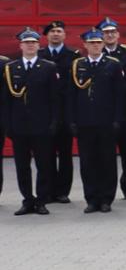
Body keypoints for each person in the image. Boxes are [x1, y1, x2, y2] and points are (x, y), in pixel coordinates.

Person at [69, 30, 126, 213]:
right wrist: (72, 120)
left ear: (103, 44)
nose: (95, 45)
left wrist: (118, 119)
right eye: (91, 43)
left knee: (107, 161)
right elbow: (71, 95)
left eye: (98, 42)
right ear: (85, 45)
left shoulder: (112, 65)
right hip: (85, 122)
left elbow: (120, 95)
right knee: (87, 162)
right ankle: (91, 199)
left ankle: (106, 199)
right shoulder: (77, 65)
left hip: (106, 121)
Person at [7, 30, 62, 215]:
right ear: (20, 45)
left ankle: (41, 200)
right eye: (26, 42)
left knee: (43, 164)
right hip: (19, 126)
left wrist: (54, 122)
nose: (30, 45)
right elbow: (6, 100)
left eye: (33, 42)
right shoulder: (11, 68)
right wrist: (8, 125)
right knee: (22, 166)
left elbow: (55, 98)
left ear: (39, 45)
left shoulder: (48, 67)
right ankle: (27, 200)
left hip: (42, 125)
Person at [96, 19, 126, 202]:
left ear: (118, 34)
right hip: (106, 111)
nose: (110, 35)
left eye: (113, 32)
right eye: (106, 33)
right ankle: (106, 188)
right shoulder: (97, 53)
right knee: (106, 154)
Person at [36, 20, 77, 205]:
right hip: (45, 113)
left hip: (66, 112)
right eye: (52, 31)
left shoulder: (73, 56)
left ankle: (62, 191)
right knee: (46, 154)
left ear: (64, 35)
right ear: (46, 36)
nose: (55, 34)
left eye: (59, 31)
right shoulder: (39, 55)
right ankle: (48, 191)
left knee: (65, 154)